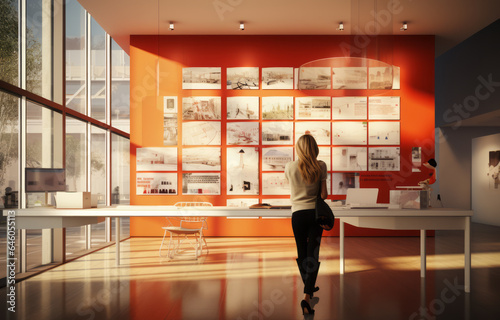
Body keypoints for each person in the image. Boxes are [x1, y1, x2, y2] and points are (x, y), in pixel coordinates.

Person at [284, 134, 328, 315]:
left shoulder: (289, 167)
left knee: (302, 254)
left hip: (298, 214)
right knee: (313, 254)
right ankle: (307, 295)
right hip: (315, 215)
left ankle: (308, 288)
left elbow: (293, 190)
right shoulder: (321, 166)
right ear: (315, 148)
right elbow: (324, 195)